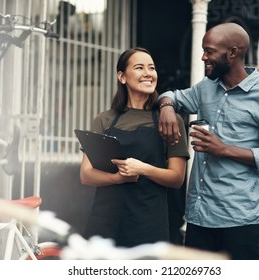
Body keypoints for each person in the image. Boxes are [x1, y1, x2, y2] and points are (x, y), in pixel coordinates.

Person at [157, 22, 259, 260]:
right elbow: (172, 96)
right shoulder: (205, 89)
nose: (203, 57)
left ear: (232, 53)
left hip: (240, 223)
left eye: (209, 51)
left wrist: (224, 150)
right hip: (199, 219)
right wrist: (167, 107)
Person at [80, 47, 190, 248]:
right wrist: (117, 178)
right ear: (122, 77)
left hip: (148, 223)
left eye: (152, 68)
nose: (148, 74)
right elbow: (86, 174)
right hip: (106, 221)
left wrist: (142, 169)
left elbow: (177, 178)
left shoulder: (170, 121)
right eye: (139, 68)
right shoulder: (105, 120)